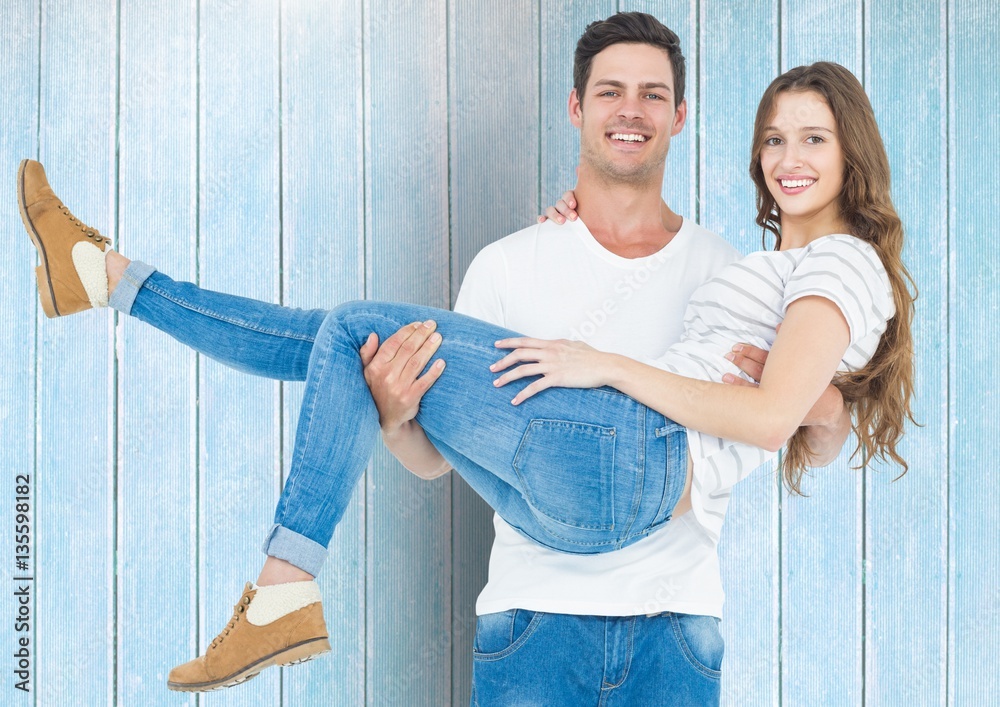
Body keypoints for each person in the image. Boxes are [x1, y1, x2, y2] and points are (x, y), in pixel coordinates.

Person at [17, 19, 914, 707]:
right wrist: (397, 411)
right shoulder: (534, 260)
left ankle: (116, 288)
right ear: (578, 108)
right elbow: (436, 456)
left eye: (814, 140)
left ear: (680, 117)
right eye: (776, 141)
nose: (789, 159)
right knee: (352, 339)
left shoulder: (780, 263)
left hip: (664, 588)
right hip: (546, 572)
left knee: (343, 325)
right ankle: (110, 283)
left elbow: (794, 417)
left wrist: (605, 363)